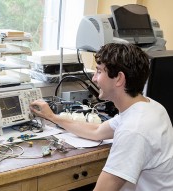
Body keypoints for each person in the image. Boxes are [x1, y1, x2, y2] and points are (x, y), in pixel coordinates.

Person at [30, 43, 173, 191]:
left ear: (119, 78)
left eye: (99, 71)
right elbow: (97, 131)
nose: (94, 78)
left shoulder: (134, 130)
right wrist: (52, 117)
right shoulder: (150, 107)